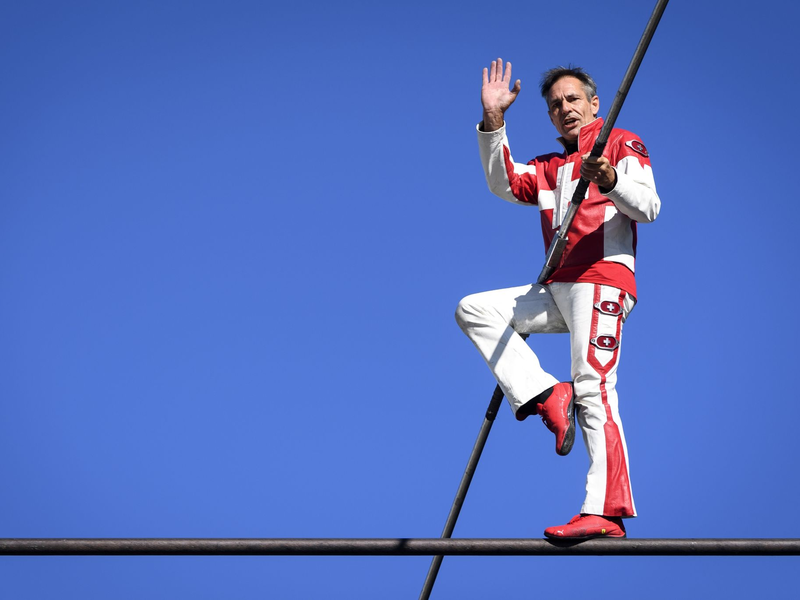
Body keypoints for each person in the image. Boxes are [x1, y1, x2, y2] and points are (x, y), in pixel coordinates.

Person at [455, 58, 660, 540]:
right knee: (474, 309)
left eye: (572, 99)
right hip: (558, 287)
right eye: (554, 105)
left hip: (601, 281)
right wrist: (494, 120)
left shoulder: (620, 141)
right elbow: (504, 181)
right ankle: (547, 394)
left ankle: (606, 512)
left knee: (596, 389)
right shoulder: (550, 168)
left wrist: (609, 178)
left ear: (594, 103)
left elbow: (649, 207)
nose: (564, 109)